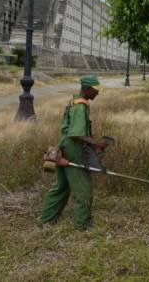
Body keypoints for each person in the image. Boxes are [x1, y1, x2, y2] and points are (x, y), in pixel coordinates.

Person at [40, 75, 110, 230]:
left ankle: (46, 219)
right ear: (86, 89)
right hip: (73, 149)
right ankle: (82, 224)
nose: (97, 93)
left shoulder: (74, 102)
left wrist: (93, 146)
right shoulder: (80, 107)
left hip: (64, 146)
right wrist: (96, 143)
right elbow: (76, 134)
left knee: (61, 187)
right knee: (83, 189)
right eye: (95, 90)